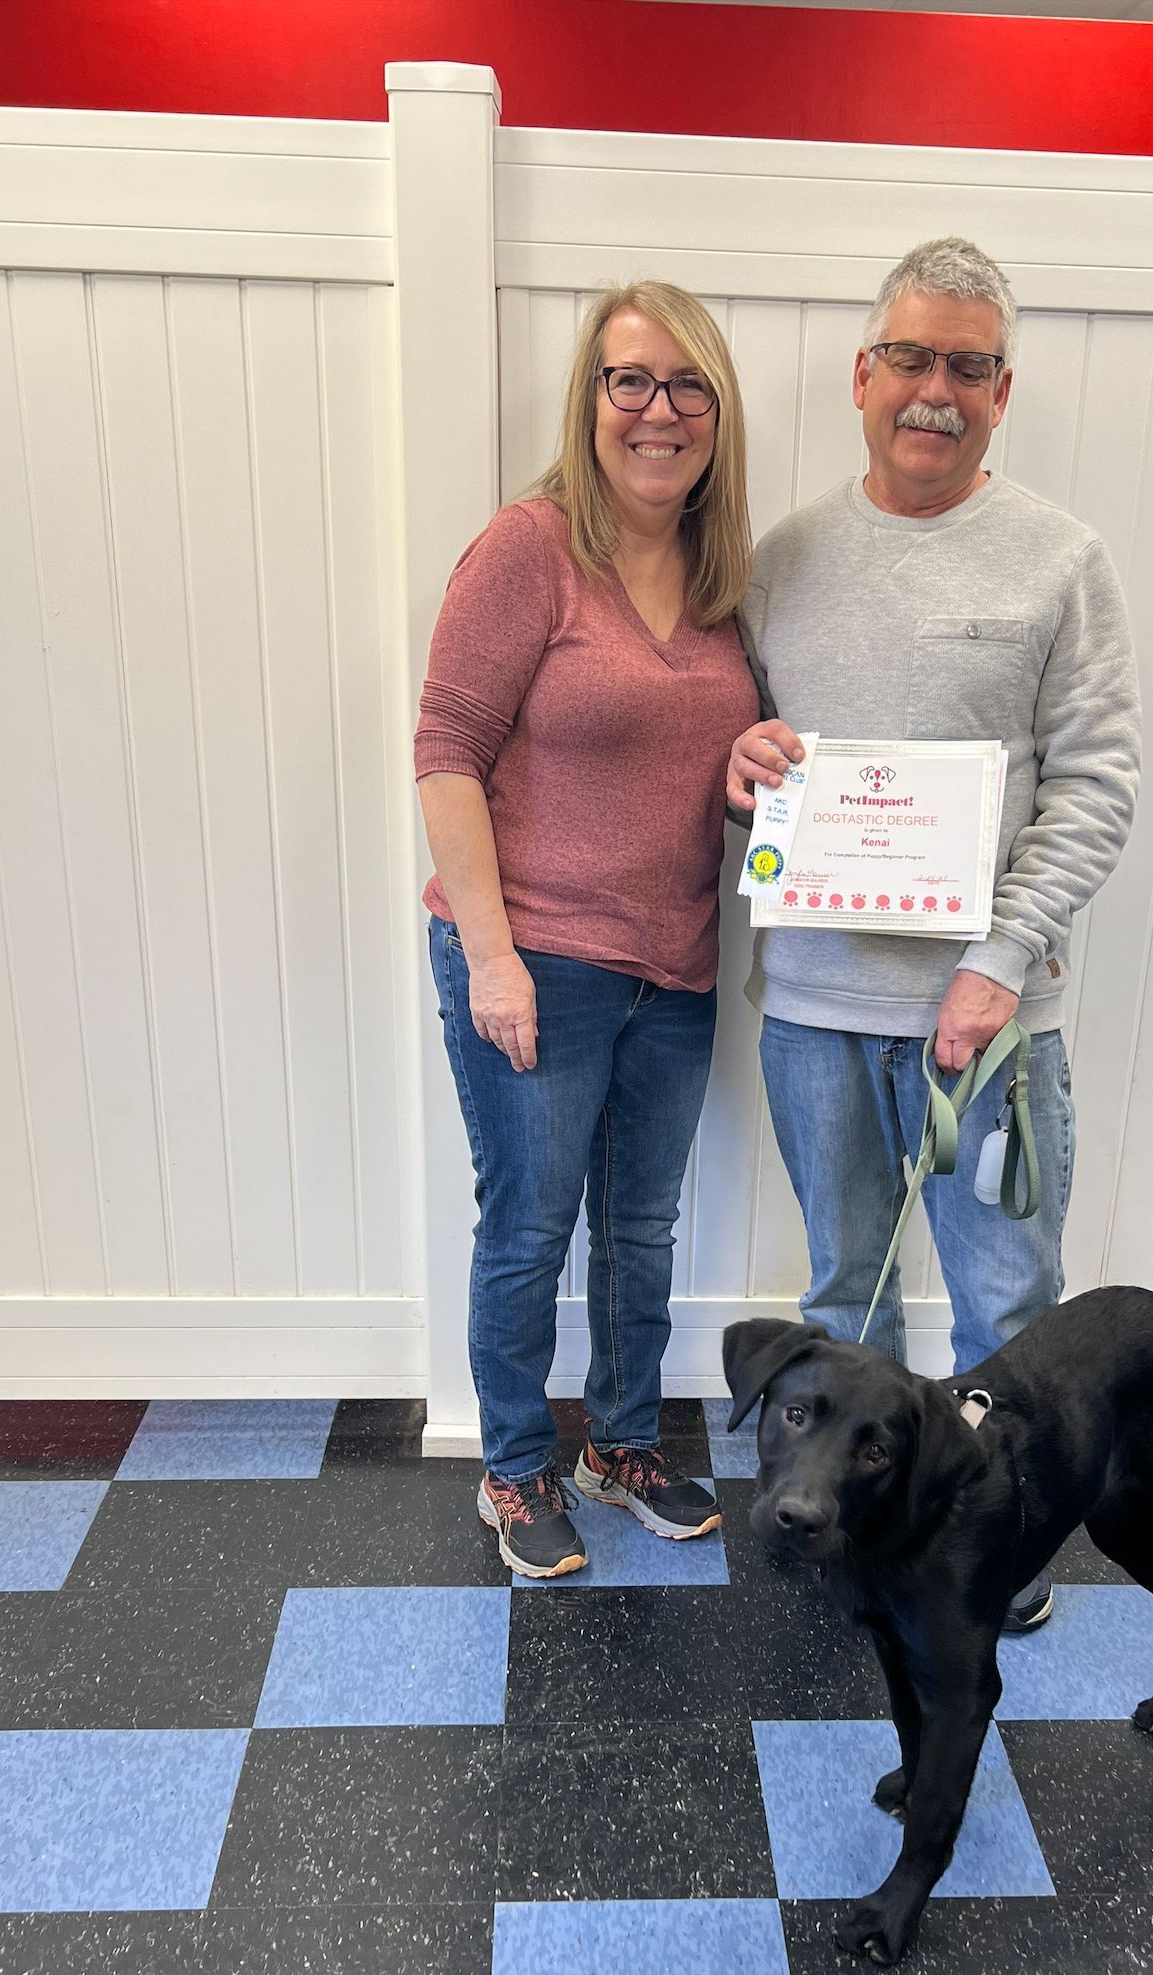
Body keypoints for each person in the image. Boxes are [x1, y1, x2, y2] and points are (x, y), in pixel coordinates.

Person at [727, 237, 1143, 1631]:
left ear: (1003, 389)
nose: (935, 391)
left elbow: (1097, 784)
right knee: (844, 1290)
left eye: (968, 366)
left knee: (1005, 1311)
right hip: (815, 1012)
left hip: (992, 1028)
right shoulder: (781, 561)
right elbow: (746, 765)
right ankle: (849, 1518)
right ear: (862, 374)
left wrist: (997, 963)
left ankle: (995, 1544)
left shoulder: (1060, 561)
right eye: (910, 358)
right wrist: (742, 766)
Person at [417, 283, 758, 1578]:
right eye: (631, 381)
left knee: (640, 1230)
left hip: (672, 968)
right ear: (590, 399)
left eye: (688, 387)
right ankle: (515, 1471)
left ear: (717, 416)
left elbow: (701, 754)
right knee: (528, 1229)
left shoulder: (725, 577)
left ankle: (620, 1449)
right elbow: (446, 753)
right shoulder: (530, 548)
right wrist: (493, 957)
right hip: (536, 959)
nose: (659, 410)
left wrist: (751, 764)